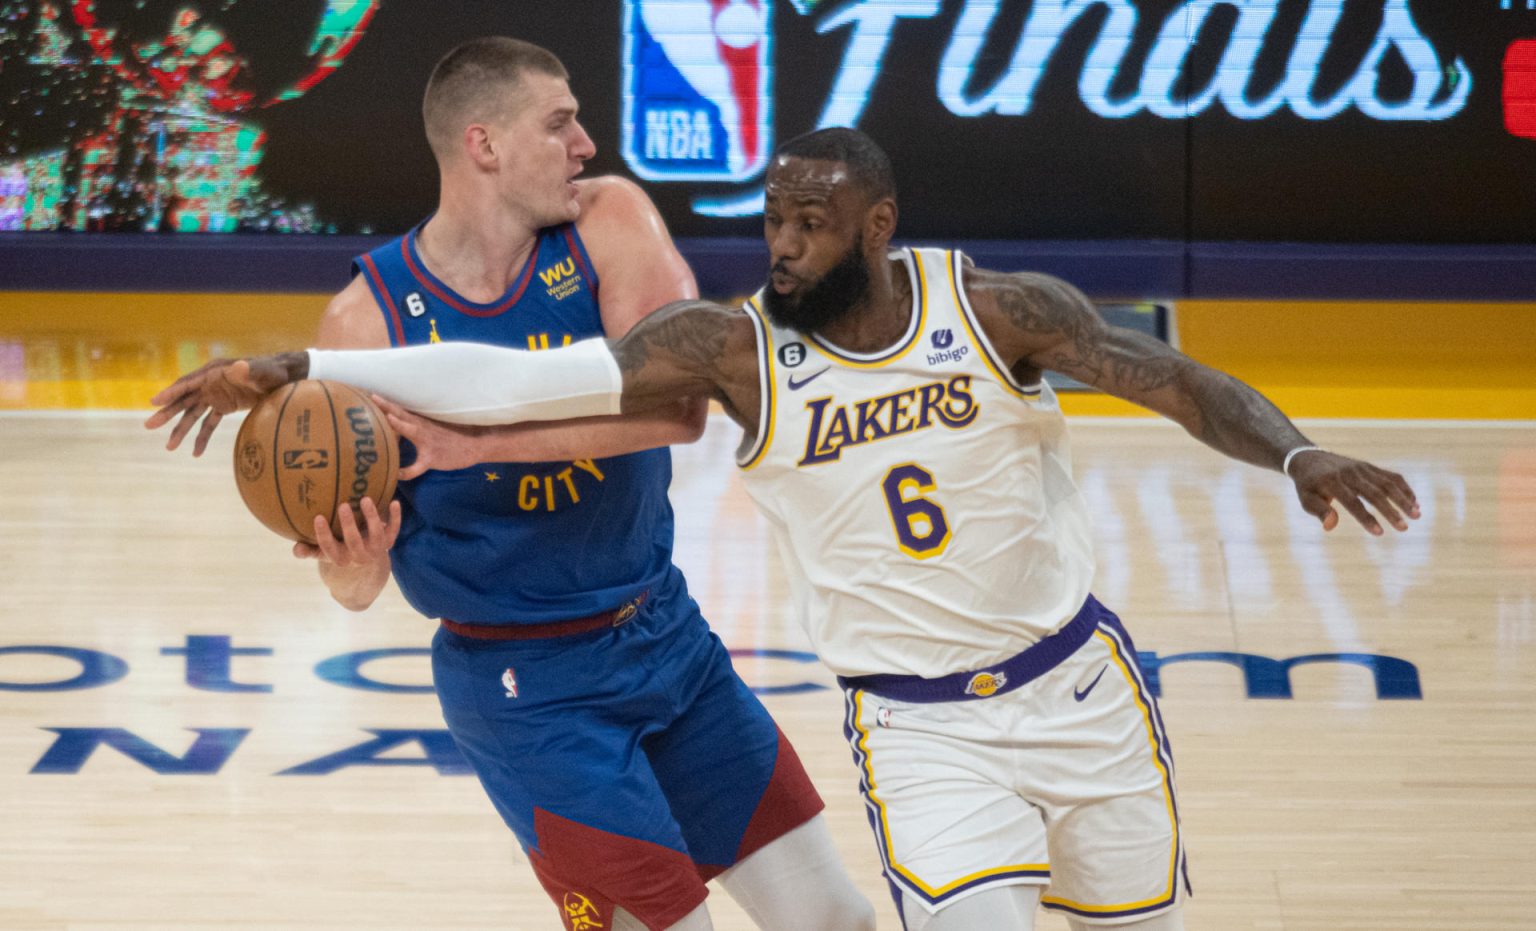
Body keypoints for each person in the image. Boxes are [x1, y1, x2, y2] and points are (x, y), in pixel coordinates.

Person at [149, 127, 1419, 931]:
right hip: (921, 729)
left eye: (811, 224)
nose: (783, 246)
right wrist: (290, 359)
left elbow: (1178, 381)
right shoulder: (730, 351)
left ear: (876, 226)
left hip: (1081, 684)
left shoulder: (998, 310)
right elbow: (506, 384)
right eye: (770, 222)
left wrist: (1298, 450)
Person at [147, 42, 873, 931]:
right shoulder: (368, 321)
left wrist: (473, 445)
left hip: (664, 632)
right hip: (525, 687)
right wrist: (352, 560)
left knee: (836, 918)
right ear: (484, 145)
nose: (585, 143)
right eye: (560, 123)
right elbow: (356, 585)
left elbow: (683, 408)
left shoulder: (609, 220)